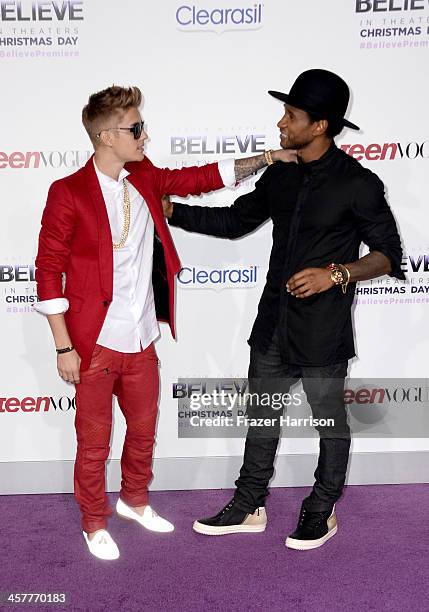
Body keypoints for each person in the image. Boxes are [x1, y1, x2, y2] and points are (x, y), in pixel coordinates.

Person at [34, 85, 295, 560]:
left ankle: (135, 500)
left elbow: (198, 178)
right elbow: (48, 271)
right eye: (136, 129)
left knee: (143, 430)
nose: (144, 136)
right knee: (93, 443)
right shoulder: (68, 192)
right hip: (92, 343)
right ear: (107, 136)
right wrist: (62, 346)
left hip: (140, 338)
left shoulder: (145, 177)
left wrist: (267, 158)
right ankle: (94, 520)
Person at [163, 69, 404, 550]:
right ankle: (249, 503)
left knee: (329, 421)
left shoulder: (359, 183)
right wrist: (173, 211)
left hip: (322, 329)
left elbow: (387, 254)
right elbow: (235, 222)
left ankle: (321, 507)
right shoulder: (282, 174)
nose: (281, 122)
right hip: (273, 322)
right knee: (263, 414)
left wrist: (335, 273)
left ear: (319, 125)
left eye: (291, 115)